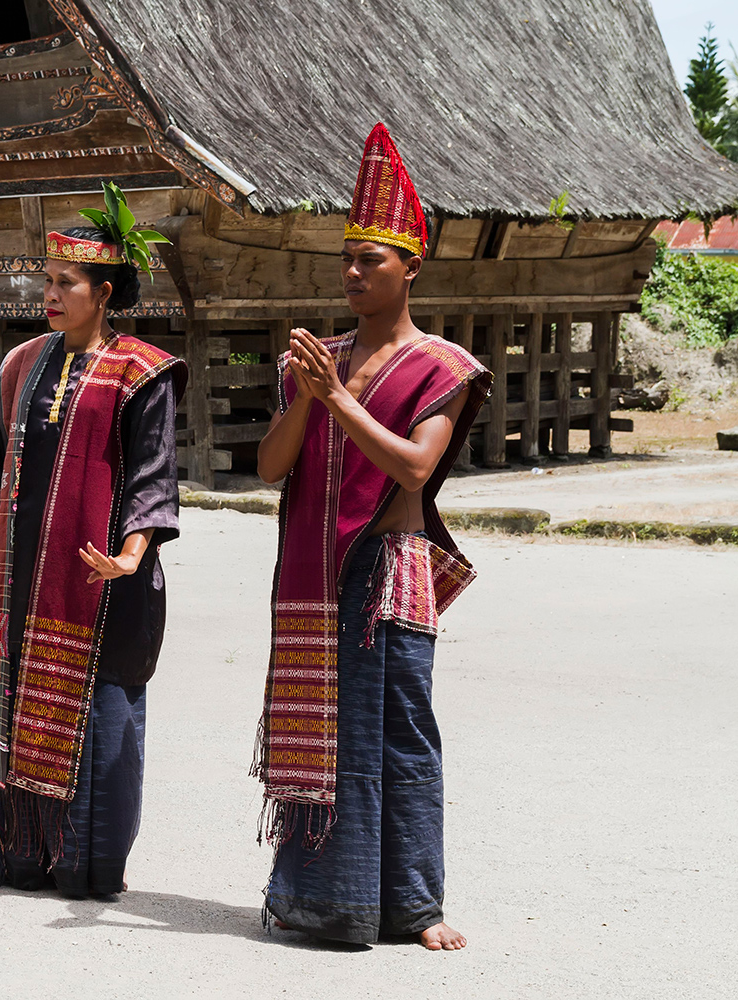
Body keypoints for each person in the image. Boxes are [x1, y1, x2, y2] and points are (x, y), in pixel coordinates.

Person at [0, 182, 185, 898]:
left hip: (102, 579)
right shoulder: (22, 364)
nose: (50, 293)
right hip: (21, 575)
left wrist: (132, 554)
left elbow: (153, 474)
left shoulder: (142, 373)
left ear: (104, 291)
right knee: (15, 709)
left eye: (66, 282)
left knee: (102, 724)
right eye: (47, 280)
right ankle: (21, 859)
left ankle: (87, 868)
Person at [252, 123, 492, 949]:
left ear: (411, 268)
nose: (354, 275)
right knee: (319, 734)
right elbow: (269, 466)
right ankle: (317, 901)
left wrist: (342, 399)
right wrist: (310, 396)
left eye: (372, 261)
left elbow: (416, 471)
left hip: (387, 569)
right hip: (309, 574)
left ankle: (416, 906)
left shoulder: (443, 366)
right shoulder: (316, 361)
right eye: (346, 260)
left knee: (400, 733)